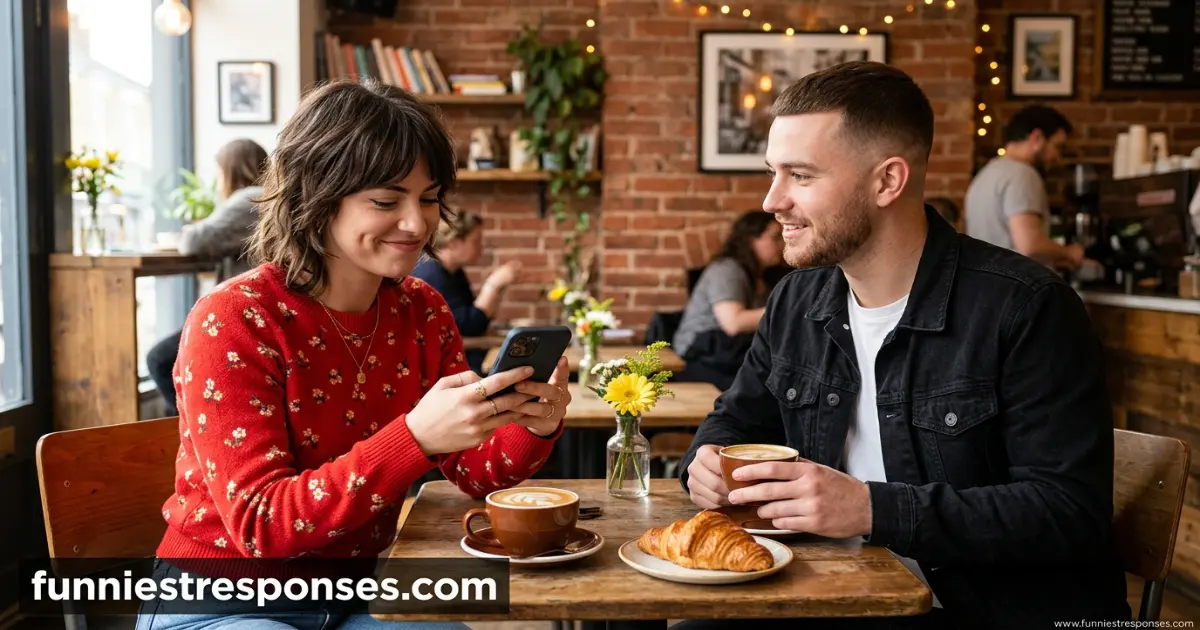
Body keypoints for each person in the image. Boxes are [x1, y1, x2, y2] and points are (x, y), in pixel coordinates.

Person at [676, 62, 1129, 628]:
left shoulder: (1026, 306)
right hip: (833, 593)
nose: (772, 200)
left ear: (887, 181)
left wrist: (871, 508)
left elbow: (1068, 513)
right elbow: (733, 424)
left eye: (801, 176)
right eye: (774, 173)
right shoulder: (797, 301)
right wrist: (705, 464)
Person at [135, 78, 572, 630]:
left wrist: (533, 423)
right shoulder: (236, 318)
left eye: (430, 198)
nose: (417, 223)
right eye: (387, 201)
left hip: (355, 596)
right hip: (220, 601)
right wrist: (414, 439)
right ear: (316, 197)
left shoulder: (423, 312)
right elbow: (261, 526)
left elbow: (475, 471)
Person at [145, 138, 269, 416]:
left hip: (247, 312)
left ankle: (183, 436)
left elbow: (194, 243)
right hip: (259, 309)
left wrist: (190, 230)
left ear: (231, 170)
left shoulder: (249, 198)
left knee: (160, 360)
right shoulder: (267, 197)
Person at [672, 211, 784, 391]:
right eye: (775, 237)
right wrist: (786, 311)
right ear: (750, 239)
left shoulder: (763, 277)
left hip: (729, 356)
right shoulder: (726, 269)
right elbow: (734, 322)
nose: (782, 244)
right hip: (700, 358)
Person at [964, 105, 1084, 270]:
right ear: (1037, 138)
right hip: (1014, 291)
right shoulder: (1023, 174)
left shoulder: (986, 174)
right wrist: (1070, 252)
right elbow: (1030, 246)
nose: (1057, 157)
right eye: (1057, 146)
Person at [410, 211, 521, 374]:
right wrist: (493, 285)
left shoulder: (453, 272)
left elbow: (478, 321)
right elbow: (468, 327)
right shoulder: (432, 276)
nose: (481, 247)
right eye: (476, 241)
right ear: (454, 243)